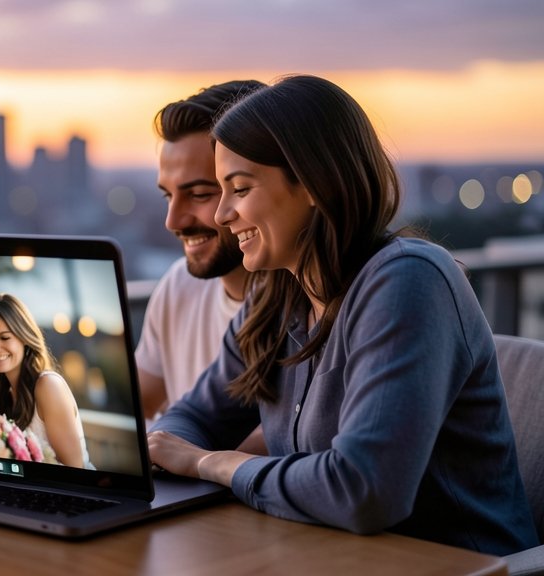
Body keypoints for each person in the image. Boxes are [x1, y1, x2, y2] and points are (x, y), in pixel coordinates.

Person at [147, 74, 538, 555]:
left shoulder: (409, 281)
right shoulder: (276, 296)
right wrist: (173, 451)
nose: (224, 214)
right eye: (221, 191)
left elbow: (364, 490)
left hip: (458, 567)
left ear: (312, 183)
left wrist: (211, 464)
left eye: (240, 189)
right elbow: (194, 417)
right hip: (326, 558)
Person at [136, 80, 265, 437]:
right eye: (168, 196)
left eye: (199, 194)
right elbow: (131, 413)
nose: (173, 221)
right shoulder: (179, 283)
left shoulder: (304, 309)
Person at [0, 293, 93, 468]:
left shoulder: (48, 386)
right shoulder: (3, 394)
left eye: (5, 337)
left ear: (24, 338)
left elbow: (75, 469)